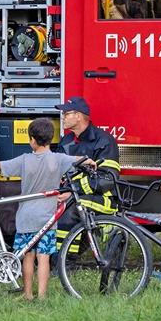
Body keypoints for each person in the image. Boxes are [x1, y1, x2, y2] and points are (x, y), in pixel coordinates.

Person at [0, 118, 80, 300]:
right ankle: (42, 295)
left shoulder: (25, 160)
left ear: (32, 140)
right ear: (51, 139)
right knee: (44, 257)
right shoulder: (58, 160)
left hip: (26, 217)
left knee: (27, 256)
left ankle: (27, 294)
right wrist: (89, 161)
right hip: (47, 218)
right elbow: (77, 160)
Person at [52, 95, 120, 249]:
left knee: (71, 208)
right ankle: (43, 255)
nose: (63, 117)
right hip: (72, 194)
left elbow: (106, 180)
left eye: (66, 114)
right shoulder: (66, 141)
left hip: (103, 199)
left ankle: (66, 260)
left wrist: (71, 192)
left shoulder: (104, 141)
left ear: (78, 116)